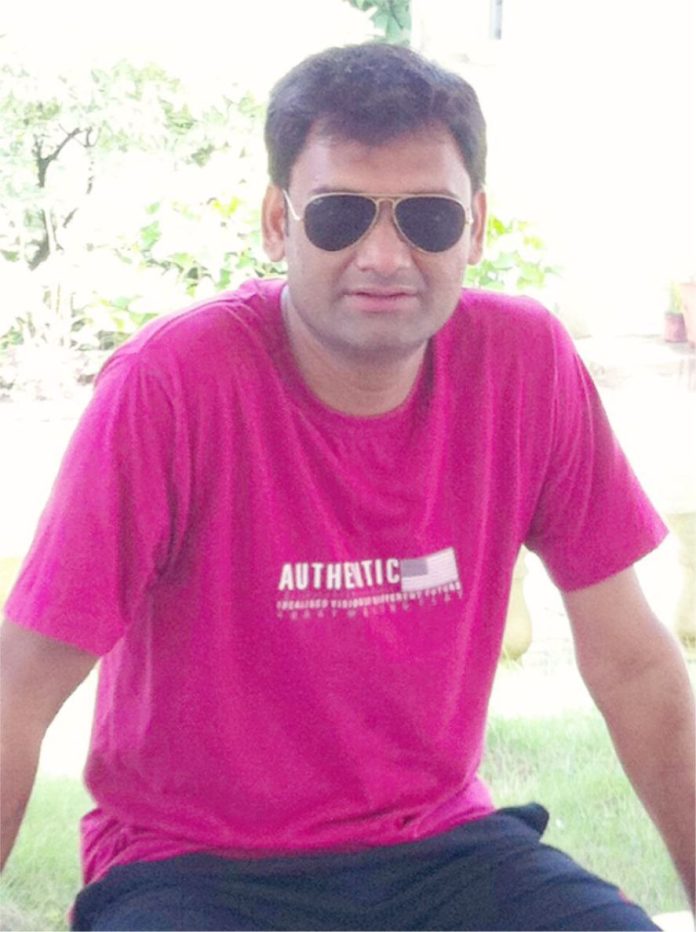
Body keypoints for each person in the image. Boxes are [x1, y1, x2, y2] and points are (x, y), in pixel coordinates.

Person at [0, 42, 693, 932]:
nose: (384, 255)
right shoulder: (172, 386)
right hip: (195, 866)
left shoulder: (526, 365)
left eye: (428, 217)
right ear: (277, 223)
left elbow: (635, 665)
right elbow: (18, 690)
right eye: (339, 215)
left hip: (442, 850)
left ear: (478, 225)